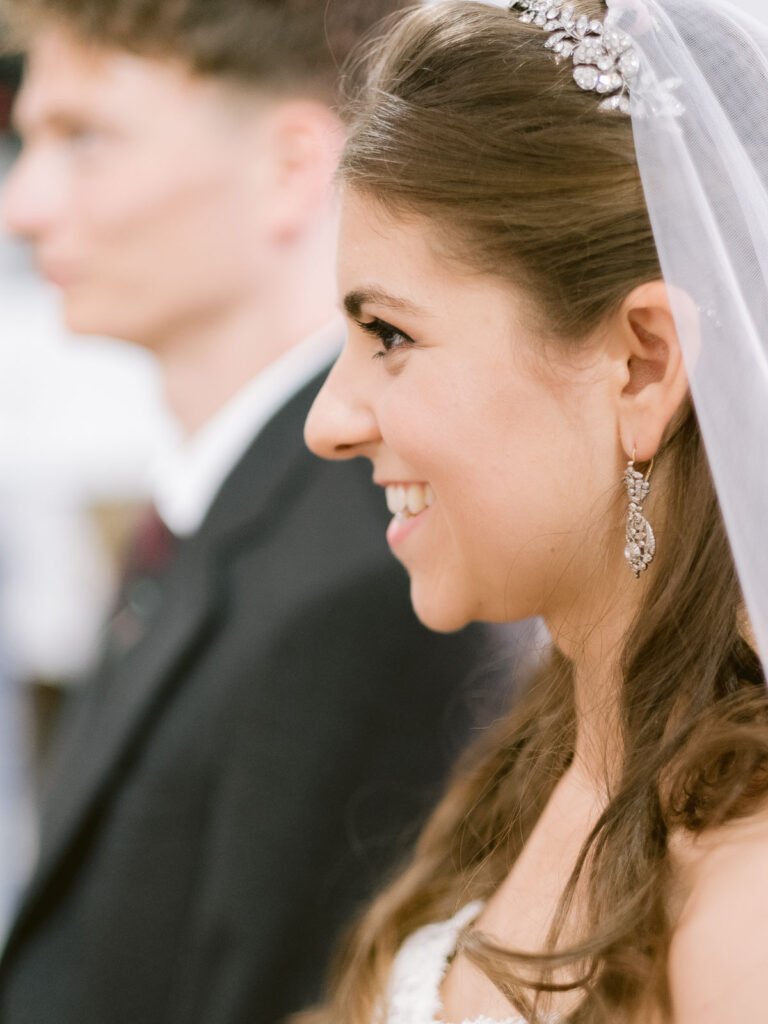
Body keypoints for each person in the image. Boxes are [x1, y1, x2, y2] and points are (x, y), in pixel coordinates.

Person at [0, 2, 500, 1023]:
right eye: (25, 138)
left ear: (290, 166)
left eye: (83, 139)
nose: (24, 203)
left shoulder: (365, 581)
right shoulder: (210, 513)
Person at [303, 0, 768, 1020]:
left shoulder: (748, 912)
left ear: (644, 365)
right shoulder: (544, 758)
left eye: (389, 333)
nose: (328, 422)